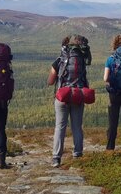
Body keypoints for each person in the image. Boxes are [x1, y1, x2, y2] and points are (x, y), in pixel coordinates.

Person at [47, 34, 91, 167]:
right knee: (77, 127)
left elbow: (50, 81)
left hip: (63, 96)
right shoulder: (83, 60)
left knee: (60, 127)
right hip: (78, 96)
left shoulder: (60, 60)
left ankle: (56, 157)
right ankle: (77, 154)